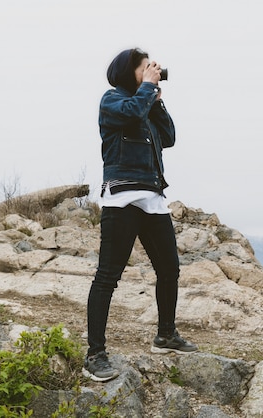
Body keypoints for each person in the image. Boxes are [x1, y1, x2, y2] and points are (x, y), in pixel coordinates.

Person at [82, 48, 198, 382]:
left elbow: (170, 138)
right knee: (108, 276)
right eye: (147, 67)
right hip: (122, 197)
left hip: (152, 196)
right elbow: (131, 113)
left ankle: (165, 335)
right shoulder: (113, 100)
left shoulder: (145, 103)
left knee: (169, 268)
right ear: (128, 71)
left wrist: (157, 99)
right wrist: (147, 90)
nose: (154, 71)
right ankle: (95, 354)